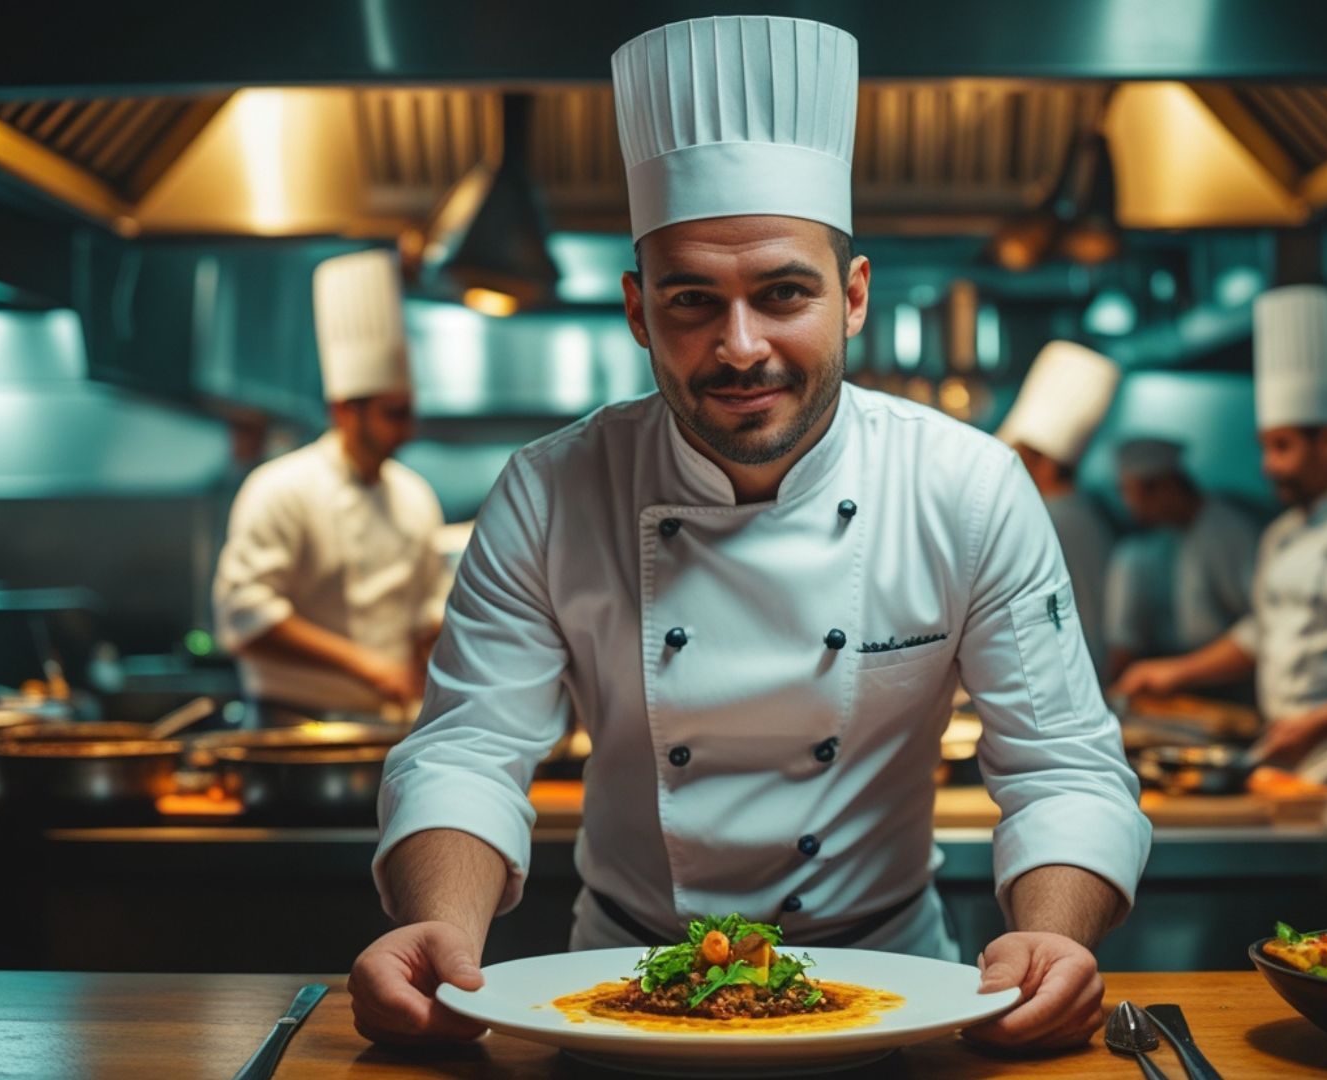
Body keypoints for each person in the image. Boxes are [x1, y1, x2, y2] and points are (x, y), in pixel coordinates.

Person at [348, 15, 1149, 1052]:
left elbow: (1062, 770)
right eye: (692, 300)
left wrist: (1048, 939)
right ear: (638, 311)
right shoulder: (549, 491)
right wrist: (435, 930)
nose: (740, 347)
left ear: (853, 298)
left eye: (783, 294)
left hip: (899, 990)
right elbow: (468, 750)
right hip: (620, 991)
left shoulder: (967, 487)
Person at [1113, 286, 1327, 804]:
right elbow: (1261, 633)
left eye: (1283, 447)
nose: (1269, 466)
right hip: (1290, 752)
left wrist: (1314, 726)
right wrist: (1174, 671)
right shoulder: (1283, 534)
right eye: (1266, 448)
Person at [213, 250, 449, 723]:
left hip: (387, 725)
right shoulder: (281, 490)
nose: (407, 430)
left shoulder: (415, 496)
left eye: (408, 412)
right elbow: (243, 616)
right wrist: (364, 665)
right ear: (344, 410)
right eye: (392, 415)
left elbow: (429, 609)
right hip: (290, 726)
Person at [992, 340, 1121, 679]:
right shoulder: (1086, 510)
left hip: (1063, 676)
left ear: (1045, 464)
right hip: (1087, 671)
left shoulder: (1051, 517)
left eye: (1018, 458)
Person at [1101, 437, 1259, 685]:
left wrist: (1181, 670)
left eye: (1131, 492)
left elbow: (1258, 622)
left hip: (1226, 676)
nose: (1129, 505)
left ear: (1164, 487)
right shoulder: (1172, 536)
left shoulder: (1225, 531)